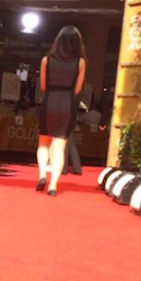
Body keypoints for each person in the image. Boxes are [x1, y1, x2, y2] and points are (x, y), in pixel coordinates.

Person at [35, 25, 86, 196]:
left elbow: (43, 86)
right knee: (59, 147)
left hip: (49, 102)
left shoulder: (46, 60)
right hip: (67, 105)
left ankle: (42, 175)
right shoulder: (80, 62)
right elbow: (77, 90)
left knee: (43, 143)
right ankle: (53, 186)